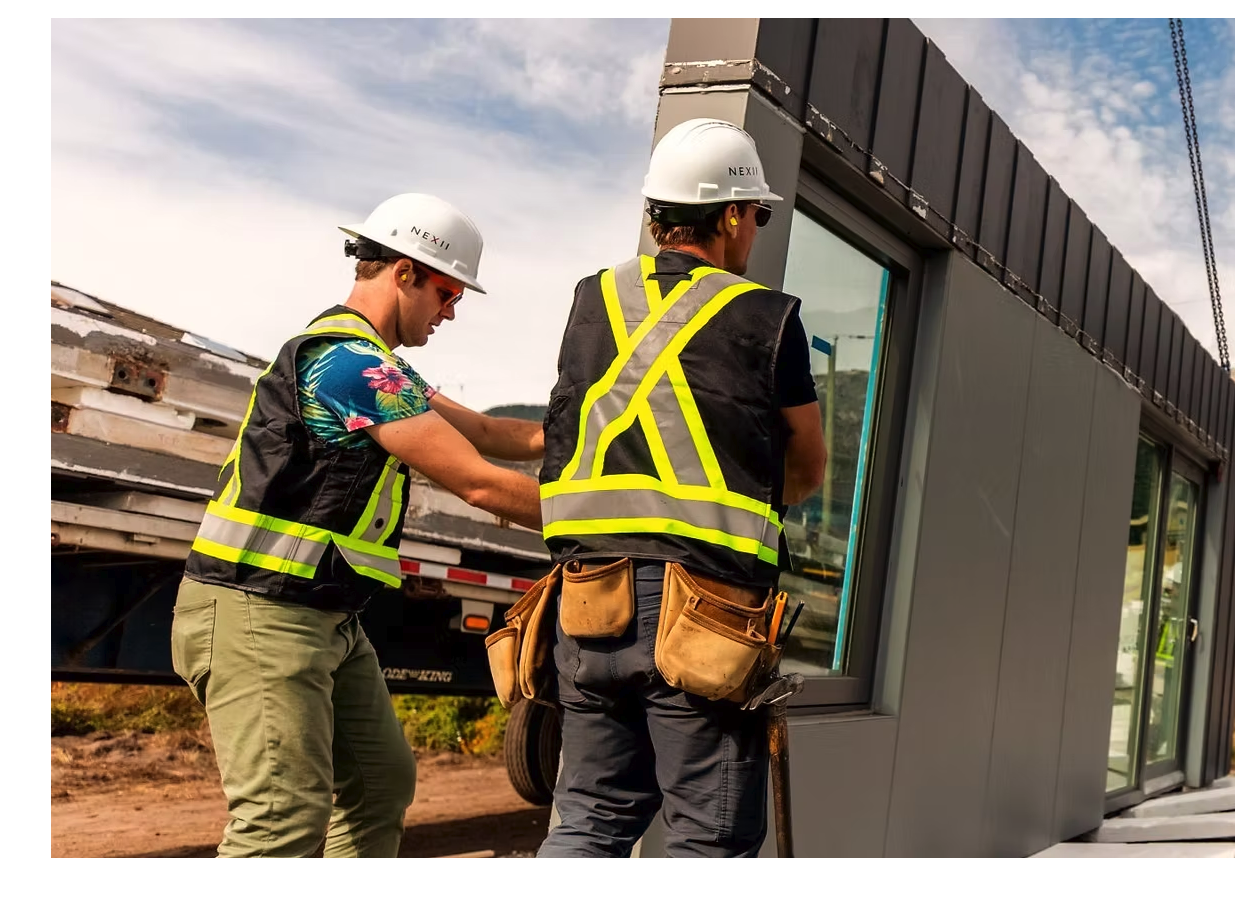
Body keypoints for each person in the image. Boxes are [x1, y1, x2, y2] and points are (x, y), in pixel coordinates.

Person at [172, 193, 548, 857]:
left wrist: (598, 422)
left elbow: (494, 434)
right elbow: (479, 479)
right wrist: (620, 520)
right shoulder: (351, 368)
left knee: (377, 787)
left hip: (325, 617)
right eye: (448, 291)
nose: (452, 311)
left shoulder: (384, 369)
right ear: (404, 273)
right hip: (259, 610)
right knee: (280, 820)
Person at [535, 117, 827, 858]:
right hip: (702, 616)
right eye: (757, 214)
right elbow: (808, 463)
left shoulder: (589, 300)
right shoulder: (766, 317)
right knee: (709, 836)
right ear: (730, 215)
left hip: (587, 601)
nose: (755, 229)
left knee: (590, 821)